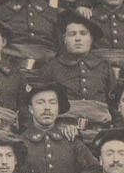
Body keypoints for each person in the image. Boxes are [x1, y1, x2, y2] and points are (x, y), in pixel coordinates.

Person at [44, 12, 118, 140]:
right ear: (64, 39)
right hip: (61, 135)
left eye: (83, 34)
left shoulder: (104, 67)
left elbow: (115, 104)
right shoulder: (51, 68)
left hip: (99, 134)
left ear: (91, 39)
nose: (78, 38)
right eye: (72, 34)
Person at [21, 83, 96, 173]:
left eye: (52, 102)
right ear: (31, 109)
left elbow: (96, 170)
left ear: (58, 108)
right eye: (40, 102)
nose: (47, 108)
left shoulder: (70, 140)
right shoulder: (19, 142)